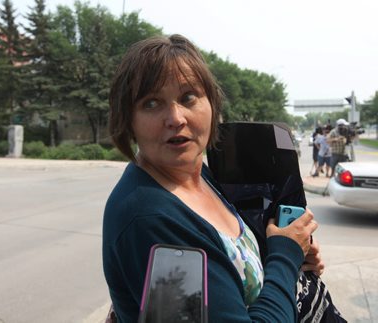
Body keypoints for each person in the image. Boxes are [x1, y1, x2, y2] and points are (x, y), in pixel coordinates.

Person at [102, 34, 325, 323]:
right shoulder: (151, 221)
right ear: (128, 121)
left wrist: (291, 251)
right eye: (152, 103)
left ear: (212, 104)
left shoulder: (199, 175)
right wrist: (285, 257)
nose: (176, 117)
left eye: (188, 97)